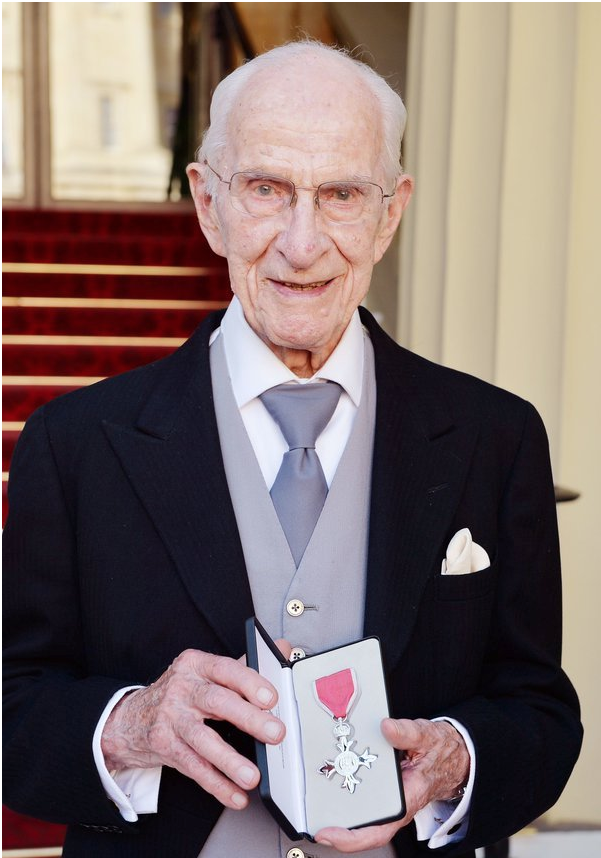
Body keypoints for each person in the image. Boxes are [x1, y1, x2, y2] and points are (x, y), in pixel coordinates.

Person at [3, 40, 582, 858]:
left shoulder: (496, 436)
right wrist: (127, 726)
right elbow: (11, 707)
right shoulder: (74, 446)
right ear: (208, 204)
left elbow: (540, 710)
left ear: (389, 214)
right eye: (267, 189)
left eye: (341, 193)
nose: (302, 245)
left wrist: (457, 755)